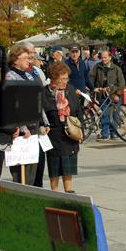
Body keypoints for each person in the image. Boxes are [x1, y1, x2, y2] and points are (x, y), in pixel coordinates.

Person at [5, 43, 48, 184]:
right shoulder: (10, 77)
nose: (28, 60)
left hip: (34, 125)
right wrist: (23, 127)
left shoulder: (30, 76)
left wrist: (44, 121)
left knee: (32, 169)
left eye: (29, 58)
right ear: (15, 59)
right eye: (25, 58)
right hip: (22, 129)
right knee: (20, 172)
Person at [42, 62, 82, 192]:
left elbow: (78, 112)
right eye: (63, 79)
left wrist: (80, 131)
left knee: (68, 170)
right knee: (55, 171)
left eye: (67, 78)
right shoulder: (45, 93)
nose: (66, 81)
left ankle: (69, 193)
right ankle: (55, 194)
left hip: (70, 136)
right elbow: (40, 114)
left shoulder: (70, 90)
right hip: (54, 137)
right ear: (54, 78)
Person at [89, 49, 126, 141]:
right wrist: (93, 88)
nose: (103, 59)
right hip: (102, 95)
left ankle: (114, 133)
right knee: (105, 114)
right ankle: (105, 134)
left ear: (110, 57)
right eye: (102, 57)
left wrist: (117, 94)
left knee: (115, 114)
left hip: (114, 95)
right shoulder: (97, 67)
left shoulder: (116, 68)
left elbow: (122, 84)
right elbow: (90, 78)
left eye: (105, 57)